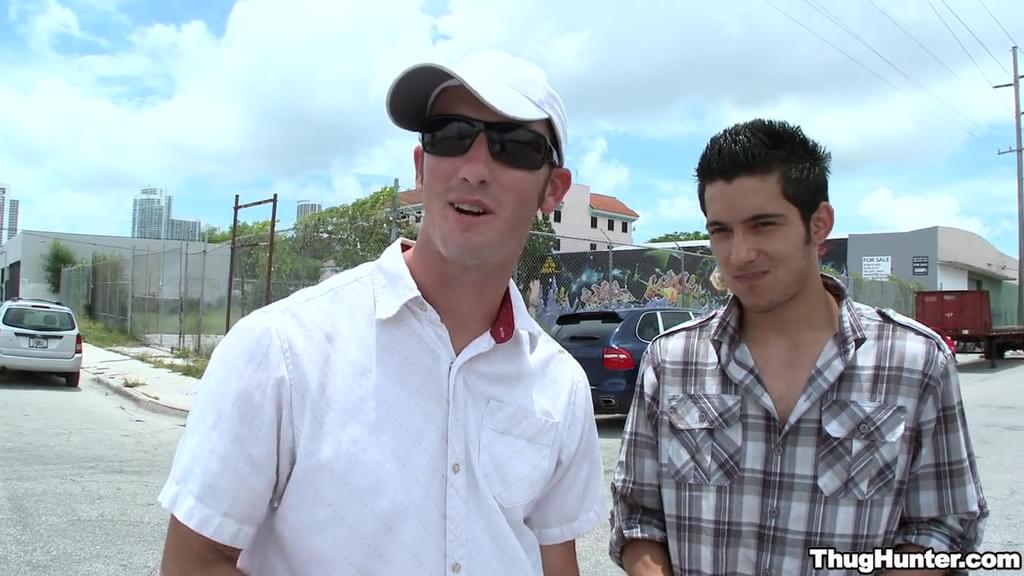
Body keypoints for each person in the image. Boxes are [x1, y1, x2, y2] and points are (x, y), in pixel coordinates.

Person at [157, 50, 606, 576]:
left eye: (514, 146)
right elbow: (193, 563)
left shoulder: (560, 384)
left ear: (552, 189)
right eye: (449, 135)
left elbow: (555, 561)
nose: (474, 169)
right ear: (421, 166)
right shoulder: (280, 348)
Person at [609, 119, 988, 575]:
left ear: (819, 224)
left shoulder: (915, 362)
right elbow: (638, 517)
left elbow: (943, 526)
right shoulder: (671, 362)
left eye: (763, 225)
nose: (739, 253)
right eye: (722, 231)